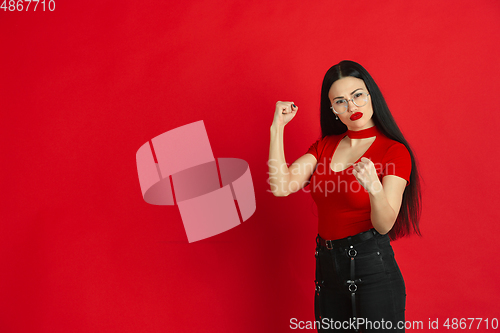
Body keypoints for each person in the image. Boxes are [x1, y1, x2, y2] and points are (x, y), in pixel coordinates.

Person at [268, 60, 421, 332]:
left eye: (358, 95)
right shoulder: (325, 146)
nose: (352, 107)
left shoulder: (394, 151)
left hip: (372, 271)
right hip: (328, 271)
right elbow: (281, 186)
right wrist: (277, 128)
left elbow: (385, 224)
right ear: (332, 110)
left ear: (371, 94)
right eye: (340, 101)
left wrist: (374, 186)